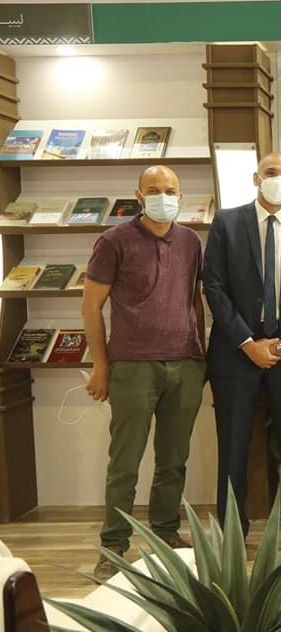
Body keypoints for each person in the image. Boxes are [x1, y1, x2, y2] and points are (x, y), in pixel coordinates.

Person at [83, 166, 206, 580]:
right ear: (139, 195)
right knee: (125, 461)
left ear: (181, 196)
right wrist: (100, 365)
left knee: (174, 460)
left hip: (185, 364)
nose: (162, 196)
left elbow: (194, 301)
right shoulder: (113, 241)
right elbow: (91, 306)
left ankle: (166, 533)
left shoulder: (190, 241)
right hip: (132, 366)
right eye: (153, 190)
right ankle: (114, 545)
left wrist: (201, 355)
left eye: (170, 190)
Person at [203, 152, 281, 543]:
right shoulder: (226, 222)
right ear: (256, 178)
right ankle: (232, 531)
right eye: (271, 172)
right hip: (236, 352)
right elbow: (214, 286)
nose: (278, 179)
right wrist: (247, 342)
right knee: (233, 446)